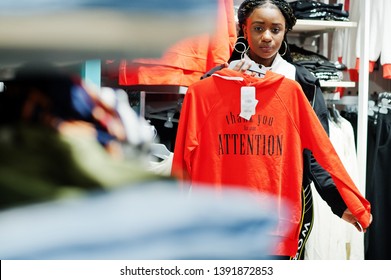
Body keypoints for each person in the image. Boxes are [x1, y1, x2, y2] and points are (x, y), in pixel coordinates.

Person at [197, 0, 372, 259]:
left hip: (285, 203)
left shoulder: (301, 82)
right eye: (258, 28)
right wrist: (224, 76)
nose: (267, 37)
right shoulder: (216, 80)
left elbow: (317, 151)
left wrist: (339, 203)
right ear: (244, 29)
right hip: (227, 200)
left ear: (285, 32)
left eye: (275, 29)